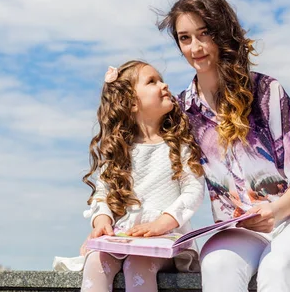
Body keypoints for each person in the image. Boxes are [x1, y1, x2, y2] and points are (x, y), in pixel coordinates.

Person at [157, 0, 290, 292]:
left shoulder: (267, 92)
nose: (195, 47)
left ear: (222, 33)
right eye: (185, 38)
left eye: (204, 33)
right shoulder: (182, 111)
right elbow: (142, 149)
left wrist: (276, 211)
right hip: (241, 229)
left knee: (278, 264)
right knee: (215, 264)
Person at [79, 60, 204, 292]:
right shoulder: (120, 149)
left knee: (139, 263)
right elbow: (103, 193)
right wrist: (102, 221)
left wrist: (161, 224)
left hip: (165, 239)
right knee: (96, 261)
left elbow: (193, 190)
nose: (164, 85)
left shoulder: (179, 144)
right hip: (122, 237)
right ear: (132, 103)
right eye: (152, 81)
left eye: (161, 79)